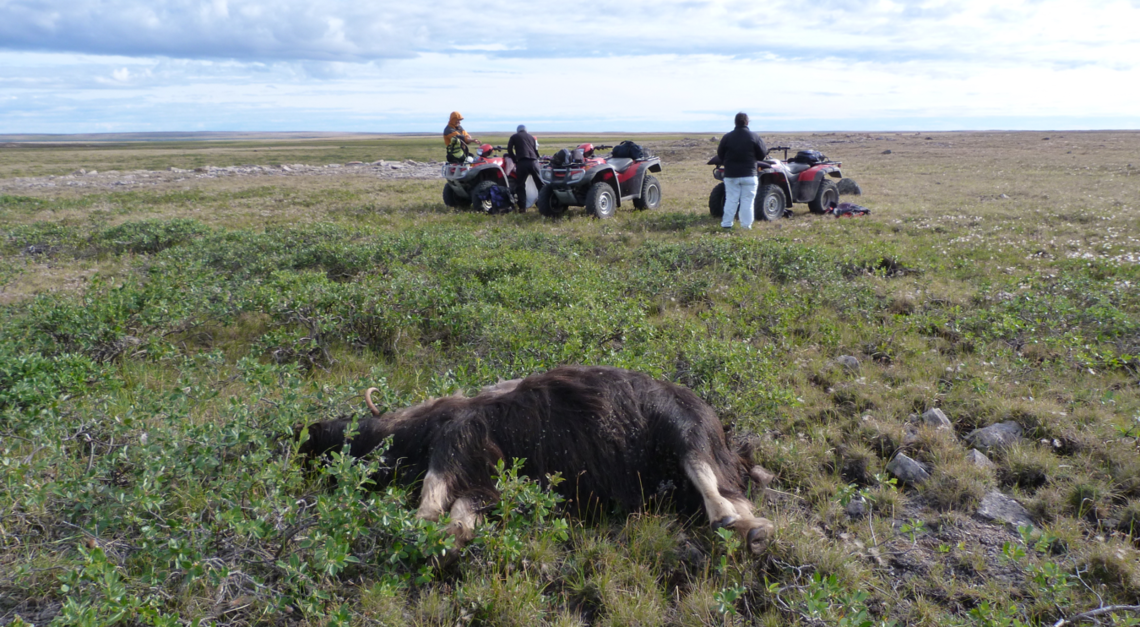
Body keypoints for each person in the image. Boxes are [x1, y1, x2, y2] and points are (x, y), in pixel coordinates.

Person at [716, 112, 768, 229]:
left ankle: (727, 224)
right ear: (747, 122)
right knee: (747, 201)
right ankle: (746, 226)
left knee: (731, 200)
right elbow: (762, 154)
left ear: (735, 122)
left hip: (731, 175)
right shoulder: (754, 136)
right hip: (749, 174)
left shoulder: (727, 137)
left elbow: (720, 154)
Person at [506, 124, 541, 213]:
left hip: (522, 162)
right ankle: (543, 205)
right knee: (540, 185)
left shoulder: (514, 136)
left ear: (518, 130)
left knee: (520, 185)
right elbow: (536, 151)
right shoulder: (532, 137)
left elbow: (509, 149)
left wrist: (514, 160)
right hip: (534, 162)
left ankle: (523, 208)